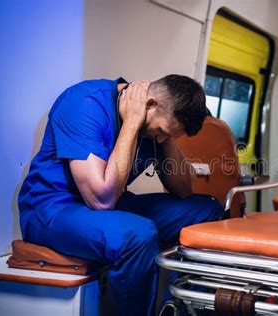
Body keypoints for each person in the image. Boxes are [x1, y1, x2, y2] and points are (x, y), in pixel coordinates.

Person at [18, 75, 224, 315]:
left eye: (169, 135)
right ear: (149, 103)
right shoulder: (83, 104)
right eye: (161, 131)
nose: (159, 138)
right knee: (138, 234)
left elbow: (184, 190)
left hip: (112, 202)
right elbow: (101, 200)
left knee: (206, 210)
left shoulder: (158, 125)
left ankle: (179, 310)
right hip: (53, 209)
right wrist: (132, 124)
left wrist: (167, 139)